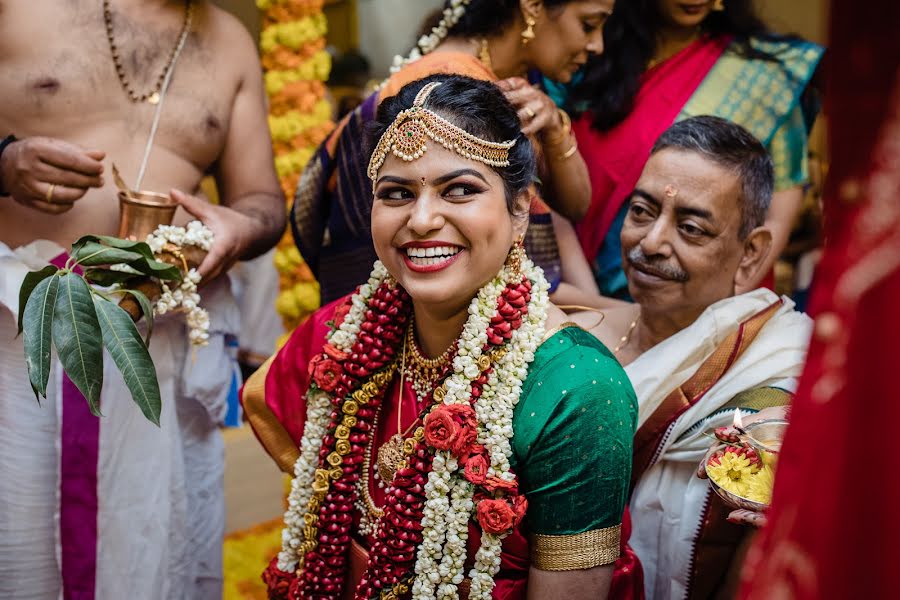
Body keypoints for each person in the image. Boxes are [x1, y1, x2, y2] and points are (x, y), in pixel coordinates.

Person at [243, 74, 636, 599]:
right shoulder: (341, 333)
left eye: (460, 190)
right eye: (397, 194)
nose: (422, 219)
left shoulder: (577, 389)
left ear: (520, 209)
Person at [0, 1, 284, 598]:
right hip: (18, 337)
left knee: (163, 552)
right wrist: (4, 161)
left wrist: (240, 229)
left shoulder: (229, 40)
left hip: (163, 346)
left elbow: (261, 199)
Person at [574, 116, 813, 599]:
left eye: (690, 228)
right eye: (641, 211)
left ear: (751, 254)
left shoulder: (782, 368)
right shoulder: (576, 334)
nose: (651, 241)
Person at [291, 0, 614, 306]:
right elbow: (509, 268)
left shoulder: (518, 84)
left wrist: (555, 131)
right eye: (588, 24)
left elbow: (574, 207)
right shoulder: (448, 85)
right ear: (532, 6)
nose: (597, 45)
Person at [554, 0, 823, 300]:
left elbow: (779, 208)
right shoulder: (588, 54)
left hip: (700, 300)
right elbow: (549, 190)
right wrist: (592, 302)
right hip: (578, 287)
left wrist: (719, 306)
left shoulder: (762, 76)